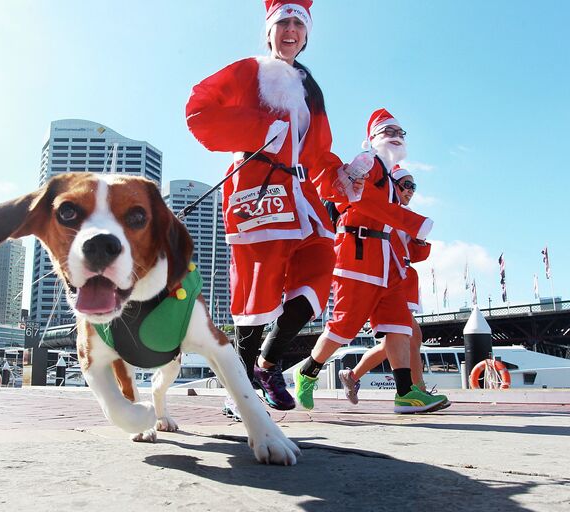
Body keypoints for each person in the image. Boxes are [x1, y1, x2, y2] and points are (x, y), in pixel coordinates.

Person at [185, 0, 363, 412]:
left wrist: (343, 178)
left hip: (302, 199)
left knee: (319, 273)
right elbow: (198, 109)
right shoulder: (249, 70)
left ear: (306, 36)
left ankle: (268, 362)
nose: (291, 30)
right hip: (259, 192)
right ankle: (241, 389)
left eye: (299, 24)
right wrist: (260, 128)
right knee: (257, 291)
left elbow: (318, 155)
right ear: (268, 30)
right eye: (283, 21)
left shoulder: (309, 86)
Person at [294, 109, 448, 414]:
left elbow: (382, 213)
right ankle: (308, 371)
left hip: (386, 262)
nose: (394, 135)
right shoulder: (371, 164)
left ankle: (405, 393)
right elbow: (356, 198)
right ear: (372, 138)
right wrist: (412, 221)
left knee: (399, 326)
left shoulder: (389, 179)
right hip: (358, 253)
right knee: (344, 326)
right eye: (387, 130)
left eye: (399, 132)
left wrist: (411, 231)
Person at [339, 169, 450, 408]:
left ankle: (353, 376)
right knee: (410, 335)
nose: (410, 190)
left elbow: (415, 254)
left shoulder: (402, 214)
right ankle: (415, 389)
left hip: (402, 277)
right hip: (386, 277)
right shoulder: (382, 210)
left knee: (399, 338)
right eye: (405, 185)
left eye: (413, 186)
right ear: (392, 185)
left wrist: (418, 240)